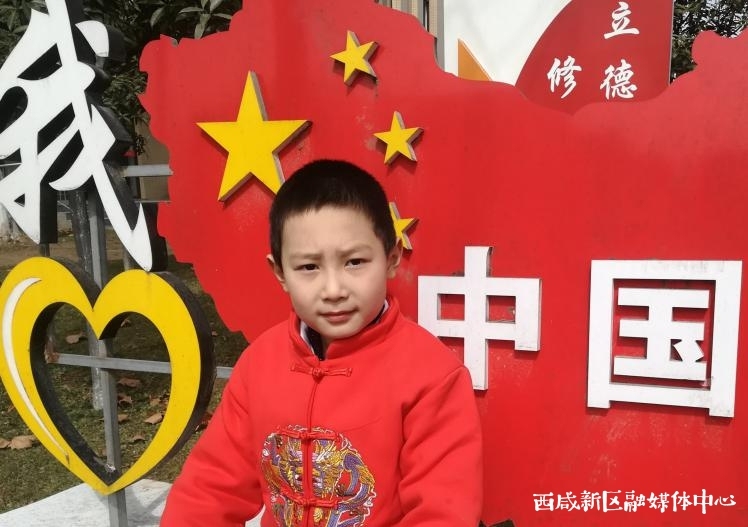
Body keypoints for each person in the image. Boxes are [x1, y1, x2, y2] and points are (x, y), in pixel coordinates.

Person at [160, 159, 483, 526]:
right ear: (280, 272)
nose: (333, 290)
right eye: (309, 267)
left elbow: (443, 512)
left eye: (355, 262)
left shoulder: (432, 376)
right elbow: (210, 489)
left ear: (391, 258)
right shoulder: (259, 365)